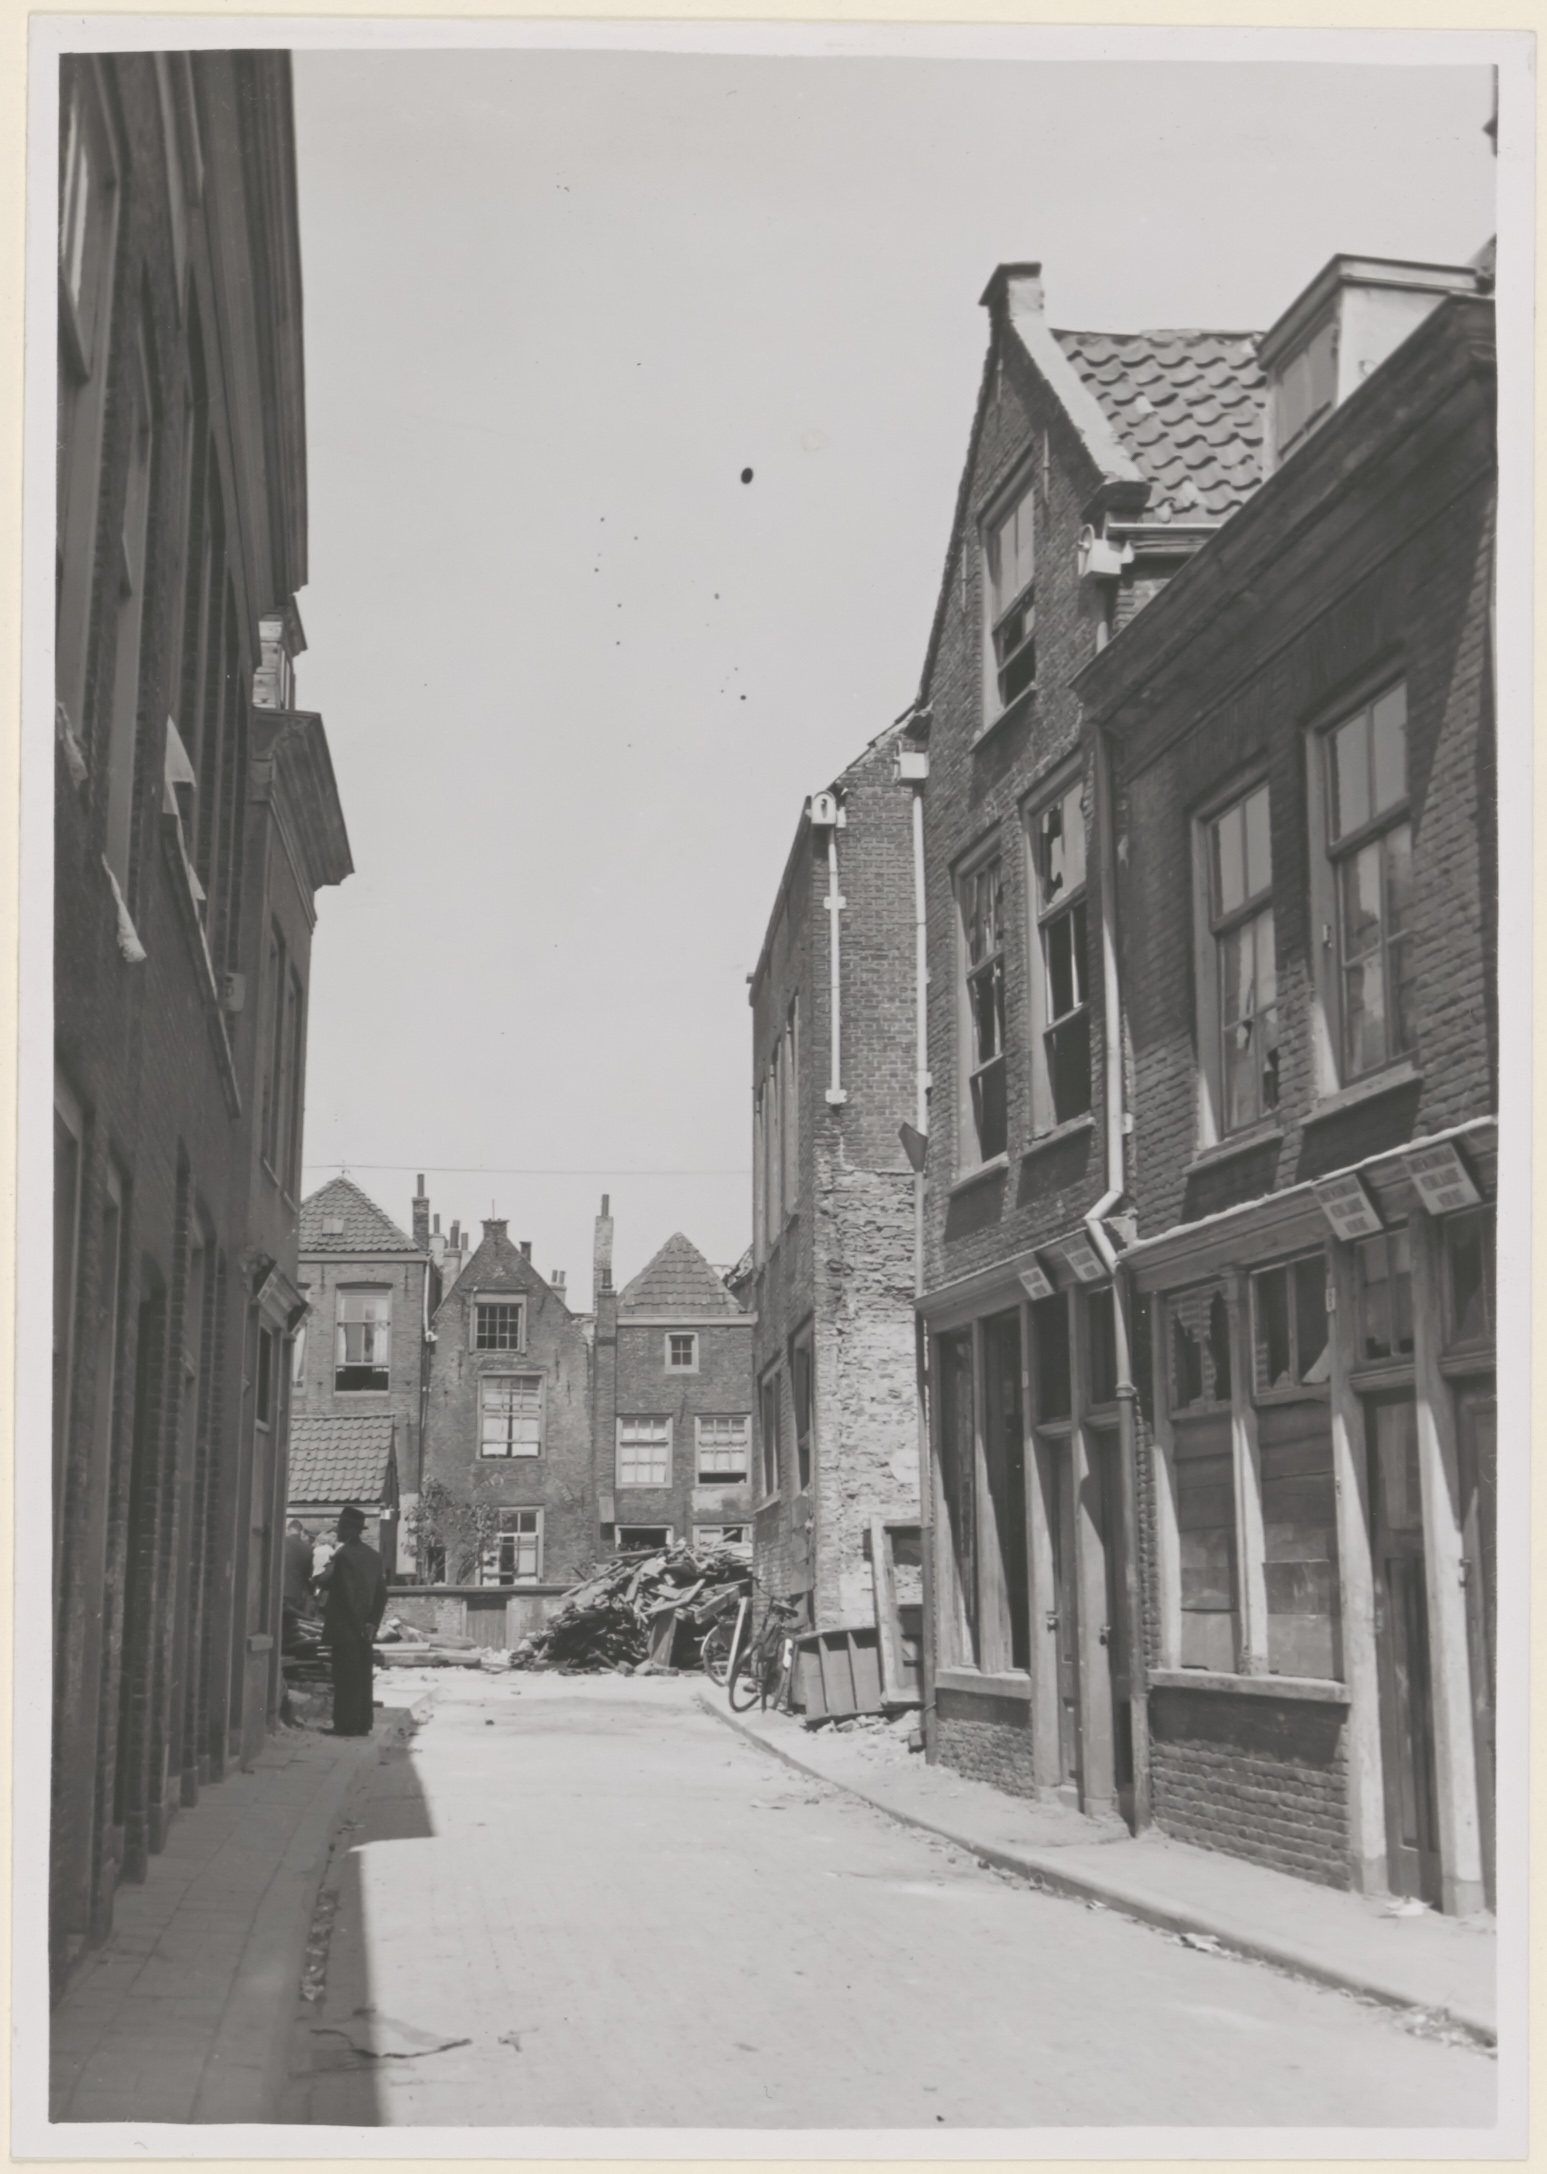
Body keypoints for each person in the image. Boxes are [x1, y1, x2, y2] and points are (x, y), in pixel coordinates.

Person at [316, 1504, 388, 1736]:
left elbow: (339, 1589)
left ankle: (345, 1725)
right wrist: (371, 1623)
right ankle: (363, 1723)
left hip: (346, 1626)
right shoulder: (374, 1557)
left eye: (339, 1526)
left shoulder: (343, 1555)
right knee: (363, 1675)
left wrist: (323, 1573)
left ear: (348, 1528)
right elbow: (381, 1594)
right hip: (366, 1628)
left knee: (345, 1676)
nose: (337, 1530)